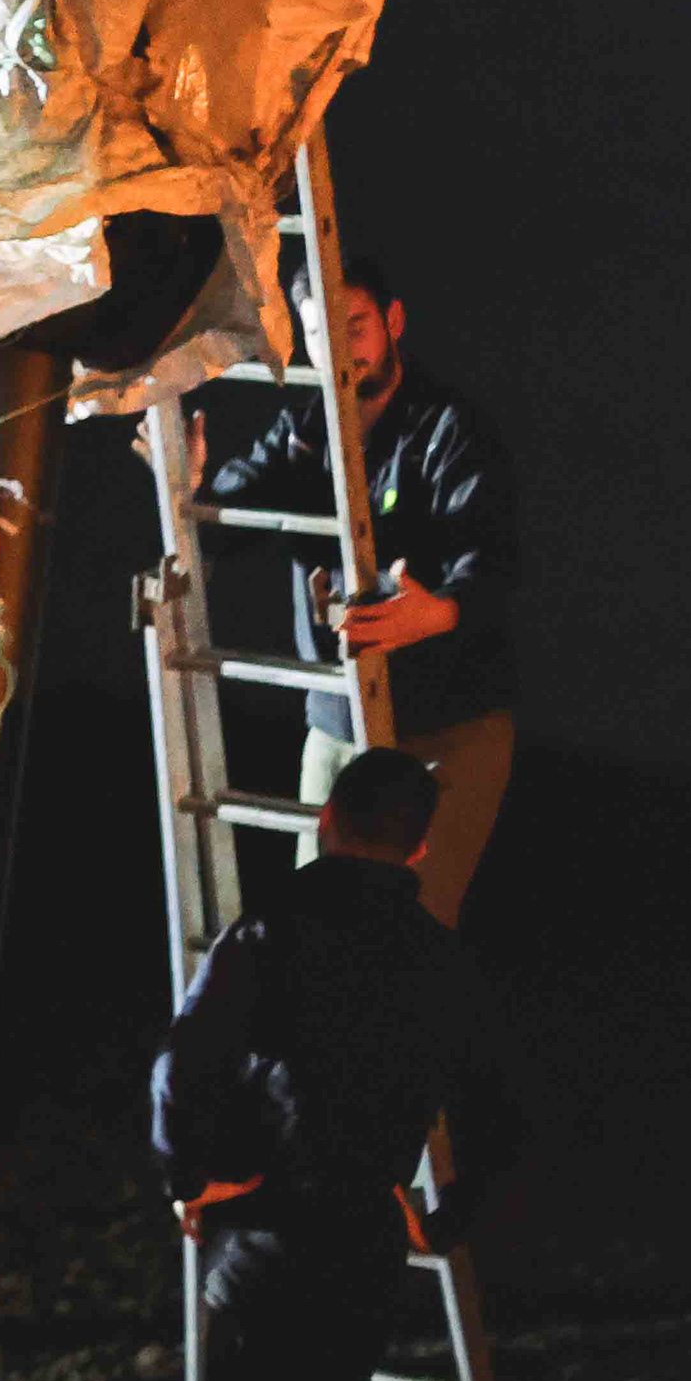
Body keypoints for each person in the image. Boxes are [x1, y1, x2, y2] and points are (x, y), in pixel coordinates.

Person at [151, 748, 526, 1381]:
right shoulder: (444, 963)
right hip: (363, 1245)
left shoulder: (270, 930)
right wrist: (443, 1222)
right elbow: (502, 1116)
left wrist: (192, 1177)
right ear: (420, 848)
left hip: (263, 1236)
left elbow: (183, 1065)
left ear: (325, 821)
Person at [202, 256, 521, 928]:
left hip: (444, 732)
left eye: (356, 325)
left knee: (408, 932)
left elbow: (494, 561)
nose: (343, 347)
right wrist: (190, 490)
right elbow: (223, 531)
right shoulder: (301, 432)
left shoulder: (450, 428)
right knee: (308, 927)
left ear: (393, 322)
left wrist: (438, 613)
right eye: (322, 332)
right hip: (338, 724)